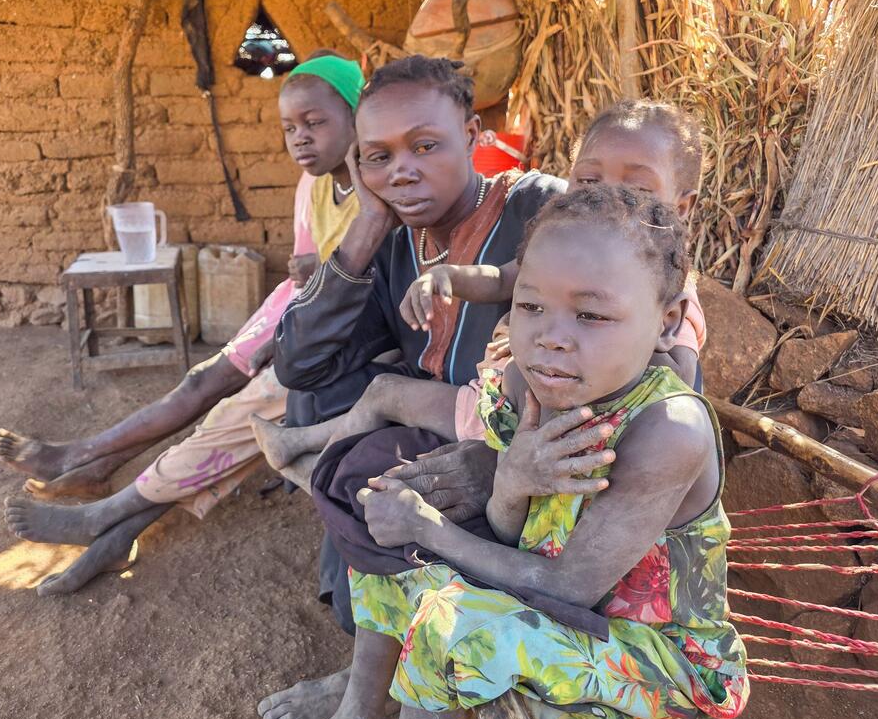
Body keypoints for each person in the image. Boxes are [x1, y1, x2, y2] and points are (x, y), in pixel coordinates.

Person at [319, 185, 749, 719]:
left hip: (657, 655)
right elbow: (509, 533)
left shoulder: (666, 430)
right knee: (391, 567)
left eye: (590, 315)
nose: (551, 337)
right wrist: (508, 482)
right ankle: (357, 714)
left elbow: (571, 588)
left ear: (667, 323)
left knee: (453, 623)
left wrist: (430, 529)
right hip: (546, 602)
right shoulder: (531, 383)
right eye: (530, 305)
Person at [259, 55, 580, 719]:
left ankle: (382, 673)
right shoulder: (396, 239)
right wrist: (368, 228)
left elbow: (616, 339)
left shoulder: (537, 207)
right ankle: (373, 654)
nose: (401, 170)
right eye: (377, 156)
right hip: (438, 436)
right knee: (319, 404)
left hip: (533, 455)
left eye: (425, 146)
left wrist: (498, 461)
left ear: (471, 133)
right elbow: (301, 363)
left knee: (369, 452)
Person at [1, 52, 365, 594]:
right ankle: (96, 469)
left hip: (336, 336)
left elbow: (358, 283)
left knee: (229, 414)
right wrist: (295, 307)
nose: (300, 138)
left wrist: (306, 302)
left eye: (315, 123)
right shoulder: (311, 188)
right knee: (206, 386)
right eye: (290, 128)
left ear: (358, 117)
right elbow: (305, 272)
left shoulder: (379, 193)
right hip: (300, 316)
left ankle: (108, 519)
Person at [252, 99, 711, 470]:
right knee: (380, 395)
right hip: (495, 396)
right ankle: (309, 448)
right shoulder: (557, 253)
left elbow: (680, 387)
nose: (605, 195)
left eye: (639, 189)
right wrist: (448, 276)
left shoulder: (667, 288)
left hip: (525, 420)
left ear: (683, 207)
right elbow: (501, 279)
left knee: (387, 396)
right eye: (589, 179)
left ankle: (309, 454)